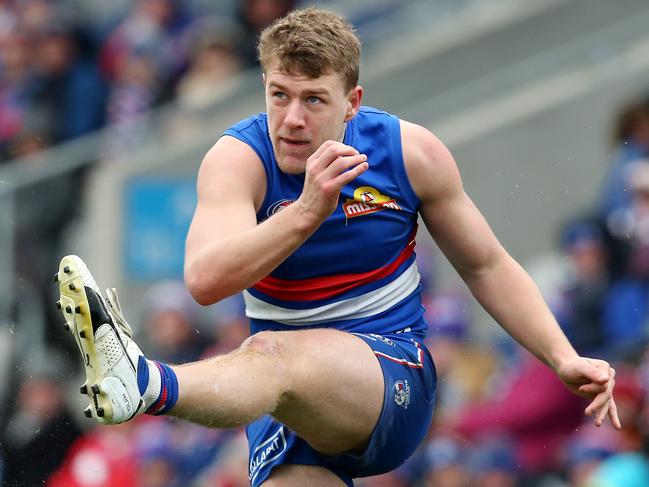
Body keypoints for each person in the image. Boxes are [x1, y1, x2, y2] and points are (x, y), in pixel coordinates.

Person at [54, 7, 620, 487]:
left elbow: (486, 264)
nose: (293, 120)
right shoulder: (237, 160)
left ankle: (145, 383)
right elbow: (205, 280)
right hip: (287, 402)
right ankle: (142, 381)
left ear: (352, 101)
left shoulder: (407, 153)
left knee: (272, 354)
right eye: (280, 95)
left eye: (314, 100)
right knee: (274, 361)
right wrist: (305, 213)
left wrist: (561, 355)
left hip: (390, 373)